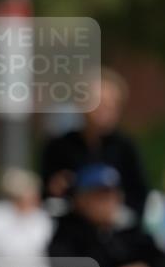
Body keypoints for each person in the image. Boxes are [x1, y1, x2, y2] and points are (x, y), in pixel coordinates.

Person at [41, 68, 149, 220]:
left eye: (111, 105)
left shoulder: (126, 148)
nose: (104, 111)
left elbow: (138, 198)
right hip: (70, 229)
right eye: (99, 103)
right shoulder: (59, 147)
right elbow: (45, 198)